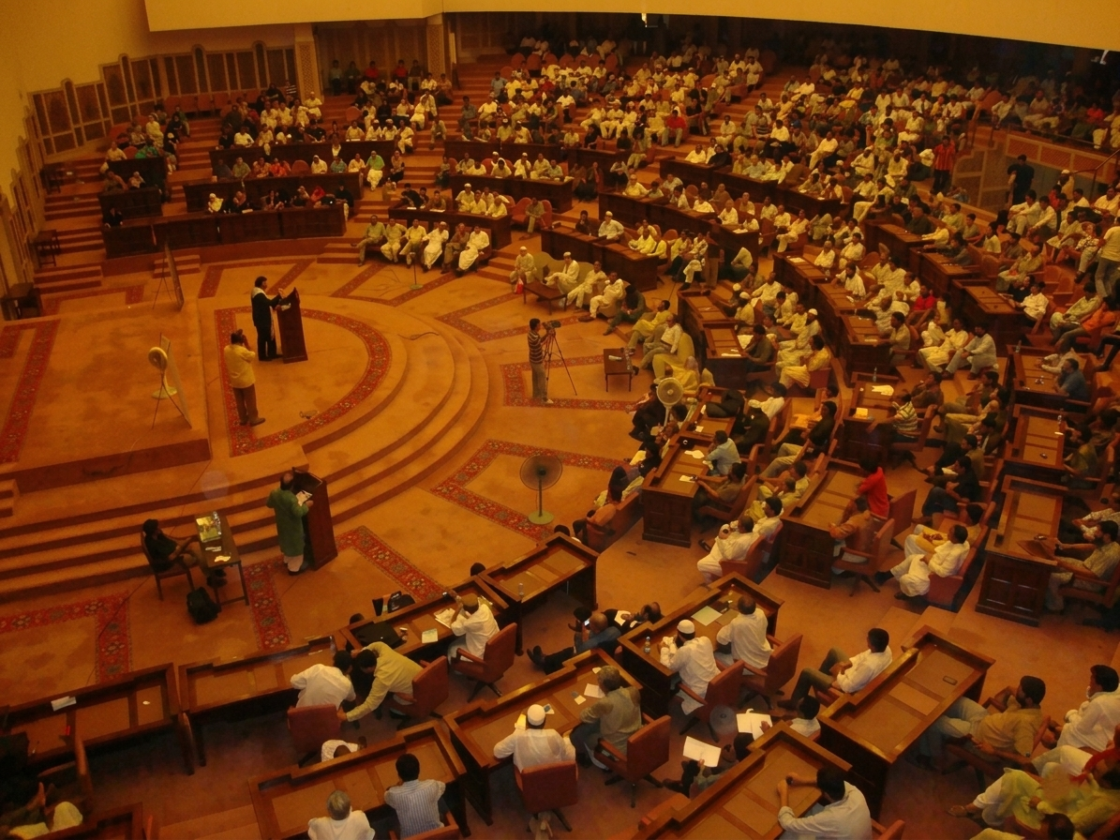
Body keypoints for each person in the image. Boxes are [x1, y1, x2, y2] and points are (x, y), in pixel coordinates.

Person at [916, 676, 1046, 763]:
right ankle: (940, 733)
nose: (1017, 690)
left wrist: (994, 751)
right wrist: (1007, 690)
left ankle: (931, 757)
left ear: (1029, 699)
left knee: (934, 722)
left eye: (1020, 690)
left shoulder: (1026, 723)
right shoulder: (1024, 704)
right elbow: (998, 698)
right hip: (984, 718)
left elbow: (1025, 759)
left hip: (977, 737)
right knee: (953, 700)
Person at [779, 628, 892, 708]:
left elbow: (849, 687)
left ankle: (794, 703)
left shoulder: (869, 666)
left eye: (868, 640)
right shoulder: (886, 649)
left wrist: (838, 672)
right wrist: (848, 663)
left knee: (807, 672)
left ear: (873, 645)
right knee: (835, 651)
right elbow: (862, 657)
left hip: (845, 686)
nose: (866, 639)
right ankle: (819, 682)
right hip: (851, 672)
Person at [1034, 666, 1120, 772]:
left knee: (1069, 732)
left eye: (1092, 679)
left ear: (1099, 686)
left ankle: (1039, 760)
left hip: (1103, 741)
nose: (1089, 683)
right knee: (1071, 727)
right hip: (1107, 733)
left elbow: (1081, 729)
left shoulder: (1100, 703)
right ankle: (1055, 738)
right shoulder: (1115, 693)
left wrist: (1070, 715)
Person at [568, 665, 642, 768]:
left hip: (617, 748)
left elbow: (584, 716)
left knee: (577, 734)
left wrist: (594, 706)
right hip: (637, 737)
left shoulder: (605, 703)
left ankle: (588, 759)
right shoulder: (633, 691)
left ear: (602, 685)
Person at [777, 767, 872, 840]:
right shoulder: (856, 793)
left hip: (838, 828)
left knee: (786, 835)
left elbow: (787, 823)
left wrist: (783, 793)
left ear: (826, 794)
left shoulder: (832, 819)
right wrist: (802, 780)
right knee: (811, 811)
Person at [1047, 520, 1120, 612]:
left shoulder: (1110, 555)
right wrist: (1065, 546)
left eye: (1098, 531)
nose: (1095, 532)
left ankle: (1056, 606)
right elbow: (1090, 546)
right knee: (1052, 561)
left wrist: (1064, 565)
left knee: (1051, 578)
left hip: (1091, 582)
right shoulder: (1111, 543)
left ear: (1107, 535)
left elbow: (1093, 575)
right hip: (1084, 567)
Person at [342, 641, 423, 723]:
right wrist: (362, 651)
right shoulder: (385, 650)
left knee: (388, 696)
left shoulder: (382, 680)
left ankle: (400, 711)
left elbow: (370, 705)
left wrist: (346, 716)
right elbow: (376, 644)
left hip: (414, 697)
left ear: (368, 669)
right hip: (425, 677)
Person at [886, 523, 970, 599]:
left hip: (933, 576)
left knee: (905, 579)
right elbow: (944, 546)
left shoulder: (954, 554)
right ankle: (887, 574)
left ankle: (907, 593)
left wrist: (928, 562)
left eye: (950, 533)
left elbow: (943, 572)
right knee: (912, 558)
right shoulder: (962, 543)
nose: (948, 533)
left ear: (955, 538)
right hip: (933, 563)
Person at [527, 611, 621, 674]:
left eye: (590, 625)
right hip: (595, 646)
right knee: (573, 642)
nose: (588, 625)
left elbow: (580, 650)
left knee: (566, 653)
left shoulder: (590, 643)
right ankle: (546, 658)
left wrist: (584, 633)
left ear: (596, 630)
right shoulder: (615, 630)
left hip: (585, 655)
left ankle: (543, 660)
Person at [141, 518, 224, 587]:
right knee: (199, 556)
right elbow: (171, 557)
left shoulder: (158, 536)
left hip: (178, 551)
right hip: (172, 562)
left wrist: (185, 543)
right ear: (153, 530)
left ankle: (214, 571)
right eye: (157, 527)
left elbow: (172, 541)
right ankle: (212, 576)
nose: (159, 528)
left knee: (198, 547)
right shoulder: (154, 544)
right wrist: (184, 545)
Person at [660, 619, 720, 714]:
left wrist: (663, 649)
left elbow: (669, 667)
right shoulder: (705, 640)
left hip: (700, 694)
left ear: (679, 635)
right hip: (717, 683)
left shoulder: (685, 651)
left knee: (673, 686)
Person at [493, 703, 576, 770]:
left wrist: (518, 732)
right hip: (552, 774)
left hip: (529, 778)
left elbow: (497, 752)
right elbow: (568, 756)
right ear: (544, 722)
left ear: (527, 722)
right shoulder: (553, 734)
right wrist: (566, 737)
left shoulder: (518, 736)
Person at [384, 752, 448, 839]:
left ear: (399, 775)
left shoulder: (394, 794)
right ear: (419, 770)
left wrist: (397, 786)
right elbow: (443, 786)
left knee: (390, 816)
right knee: (438, 798)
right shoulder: (432, 785)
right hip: (437, 837)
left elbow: (386, 797)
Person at [266, 471, 313, 574]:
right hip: (293, 526)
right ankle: (294, 568)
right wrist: (306, 505)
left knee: (286, 542)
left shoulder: (274, 492)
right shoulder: (291, 499)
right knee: (296, 545)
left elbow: (269, 503)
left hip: (282, 523)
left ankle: (287, 560)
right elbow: (298, 512)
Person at [715, 595, 771, 670]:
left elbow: (721, 638)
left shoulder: (737, 623)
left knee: (715, 655)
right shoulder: (760, 613)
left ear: (739, 608)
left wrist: (723, 627)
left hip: (748, 664)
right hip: (763, 654)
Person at [223, 329, 264, 426]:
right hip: (246, 380)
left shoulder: (226, 349)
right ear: (240, 341)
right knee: (250, 400)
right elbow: (252, 355)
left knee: (239, 401)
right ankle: (253, 418)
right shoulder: (242, 350)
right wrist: (247, 344)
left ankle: (243, 418)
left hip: (234, 380)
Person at [290, 650, 355, 709]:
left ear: (333, 661)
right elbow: (352, 698)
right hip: (325, 720)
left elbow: (294, 682)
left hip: (301, 715)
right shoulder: (347, 684)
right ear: (350, 668)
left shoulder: (319, 669)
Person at [447, 592, 498, 661]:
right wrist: (457, 597)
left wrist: (457, 610)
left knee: (451, 648)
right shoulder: (485, 608)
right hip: (494, 645)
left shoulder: (469, 623)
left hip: (481, 654)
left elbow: (453, 625)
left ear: (466, 611)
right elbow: (471, 603)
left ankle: (459, 671)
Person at [307, 791, 374, 840]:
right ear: (349, 808)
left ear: (329, 811)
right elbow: (369, 835)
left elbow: (311, 830)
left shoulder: (320, 823)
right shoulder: (359, 816)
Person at [250, 277, 280, 361]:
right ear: (261, 283)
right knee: (263, 337)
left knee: (268, 335)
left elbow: (266, 304)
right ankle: (263, 356)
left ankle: (272, 353)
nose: (266, 284)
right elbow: (269, 303)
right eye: (265, 282)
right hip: (262, 319)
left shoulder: (257, 292)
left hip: (262, 318)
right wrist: (279, 296)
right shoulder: (258, 294)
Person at [527, 319, 553, 405]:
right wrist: (549, 335)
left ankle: (536, 394)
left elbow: (540, 340)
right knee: (542, 379)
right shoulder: (534, 337)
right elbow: (541, 343)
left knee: (535, 377)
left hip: (532, 359)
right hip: (537, 361)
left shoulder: (531, 333)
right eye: (539, 325)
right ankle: (544, 398)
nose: (540, 326)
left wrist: (546, 334)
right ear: (535, 326)